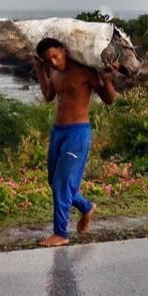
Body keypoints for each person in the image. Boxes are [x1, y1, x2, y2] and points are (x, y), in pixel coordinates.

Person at [33, 37, 118, 248]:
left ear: (63, 50)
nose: (53, 62)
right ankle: (86, 206)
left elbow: (110, 99)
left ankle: (60, 233)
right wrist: (39, 70)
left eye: (55, 56)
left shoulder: (84, 71)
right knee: (55, 181)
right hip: (59, 132)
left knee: (62, 183)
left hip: (77, 133)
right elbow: (48, 95)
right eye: (48, 60)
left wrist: (107, 80)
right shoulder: (53, 72)